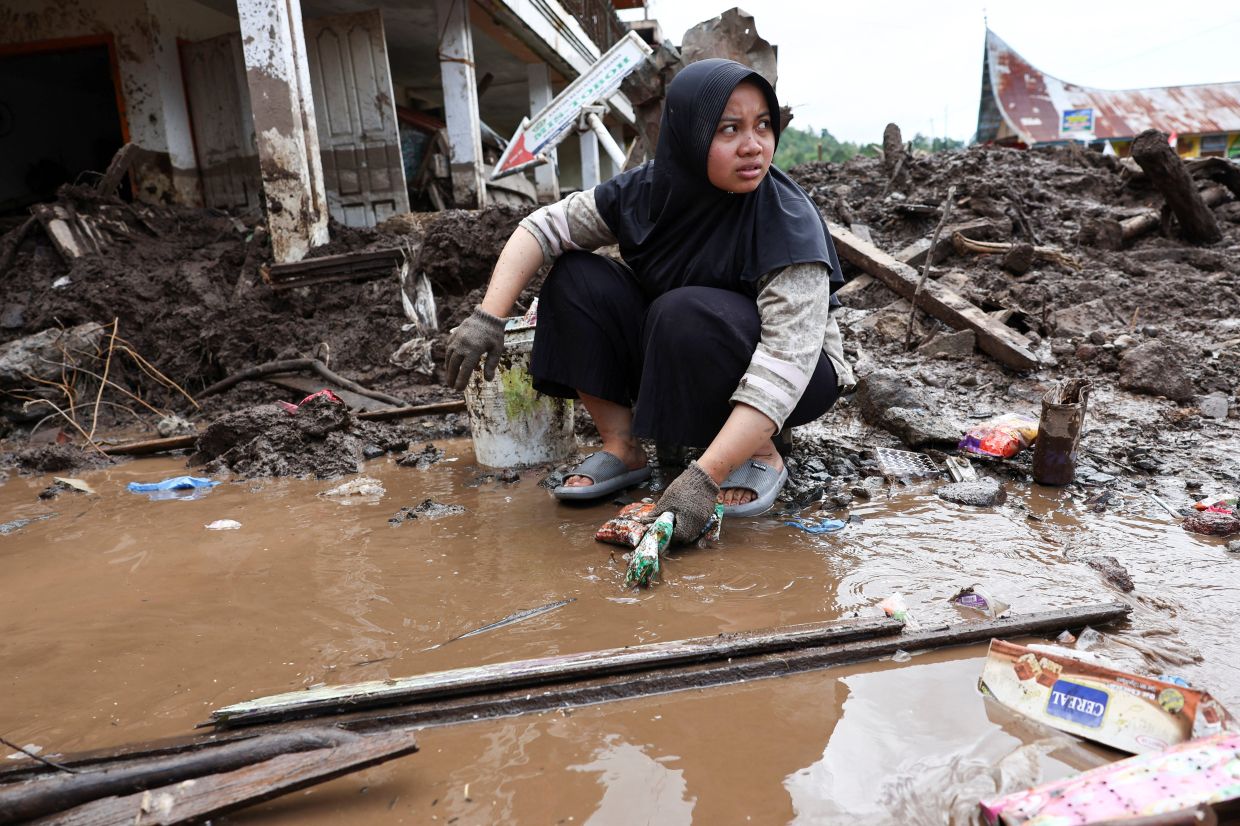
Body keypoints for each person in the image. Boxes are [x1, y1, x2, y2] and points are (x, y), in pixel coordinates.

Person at [444, 58, 855, 543]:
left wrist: (706, 477)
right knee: (575, 276)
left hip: (797, 374)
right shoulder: (647, 191)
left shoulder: (787, 221)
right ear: (690, 135)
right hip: (678, 346)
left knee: (682, 311)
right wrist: (487, 316)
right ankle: (624, 448)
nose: (754, 145)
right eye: (729, 129)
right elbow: (543, 228)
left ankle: (757, 452)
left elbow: (788, 361)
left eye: (763, 126)